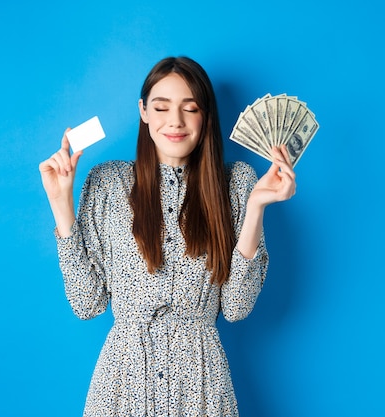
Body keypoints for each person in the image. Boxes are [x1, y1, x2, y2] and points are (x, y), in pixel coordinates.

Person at [39, 56, 296, 417]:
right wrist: (60, 204)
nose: (175, 121)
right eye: (161, 107)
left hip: (202, 388)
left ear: (205, 115)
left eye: (190, 108)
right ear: (143, 111)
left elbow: (237, 308)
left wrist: (255, 208)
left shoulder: (237, 184)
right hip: (122, 385)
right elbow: (87, 304)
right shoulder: (108, 182)